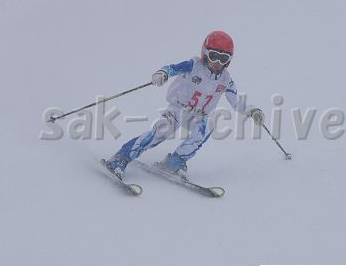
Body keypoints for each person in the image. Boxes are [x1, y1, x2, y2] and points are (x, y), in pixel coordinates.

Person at [104, 30, 264, 179]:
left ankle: (175, 161)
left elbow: (237, 101)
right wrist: (163, 73)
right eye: (213, 56)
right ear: (205, 53)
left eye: (223, 58)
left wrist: (252, 111)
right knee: (160, 132)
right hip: (177, 110)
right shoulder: (194, 66)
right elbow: (172, 68)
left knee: (206, 128)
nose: (217, 62)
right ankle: (120, 158)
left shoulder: (225, 80)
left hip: (197, 116)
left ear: (229, 61)